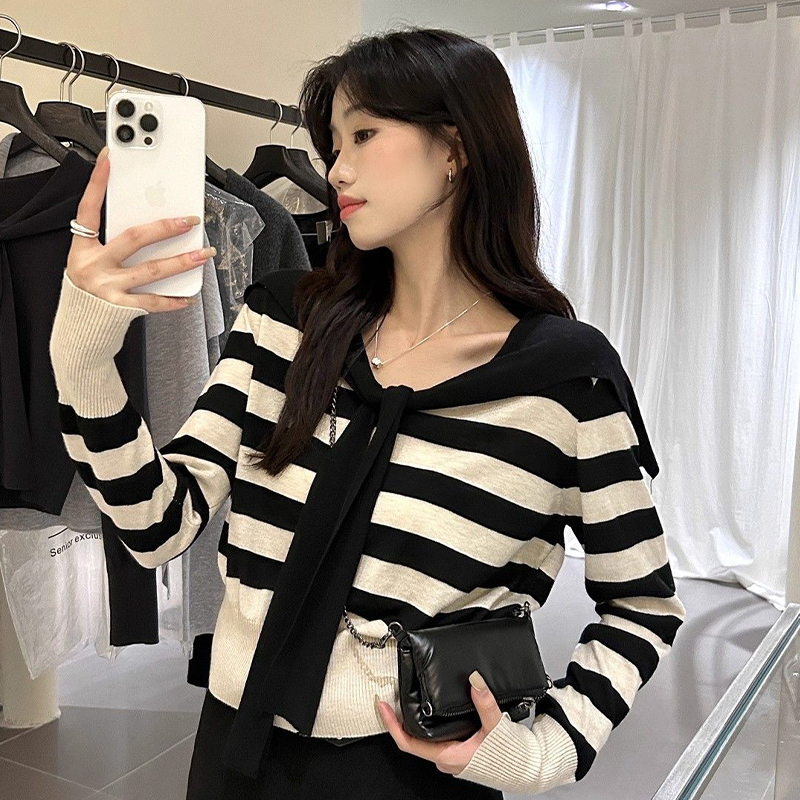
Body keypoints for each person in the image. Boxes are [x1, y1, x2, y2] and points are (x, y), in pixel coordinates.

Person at [49, 26, 685, 800]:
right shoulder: (286, 323)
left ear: (455, 148)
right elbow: (158, 524)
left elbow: (643, 602)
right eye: (333, 143)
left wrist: (546, 749)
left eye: (364, 135)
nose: (336, 169)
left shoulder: (564, 380)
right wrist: (84, 358)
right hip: (234, 748)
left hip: (419, 771)